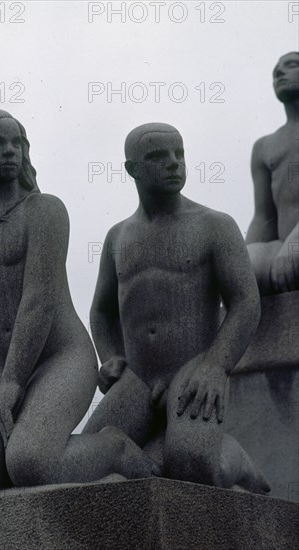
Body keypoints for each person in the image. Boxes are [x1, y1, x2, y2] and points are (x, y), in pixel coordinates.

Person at [0, 110, 158, 495]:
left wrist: (13, 383)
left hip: (60, 358)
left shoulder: (45, 211)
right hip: (0, 366)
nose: (11, 151)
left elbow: (38, 302)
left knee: (30, 462)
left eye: (17, 142)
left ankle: (112, 448)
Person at [83, 123, 270, 493]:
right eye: (157, 156)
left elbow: (246, 302)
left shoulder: (214, 225)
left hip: (193, 371)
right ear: (132, 169)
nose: (173, 163)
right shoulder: (118, 237)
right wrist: (110, 358)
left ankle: (231, 456)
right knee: (87, 464)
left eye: (179, 154)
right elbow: (101, 312)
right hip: (136, 379)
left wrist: (215, 366)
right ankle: (156, 456)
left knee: (193, 465)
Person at [246, 52, 299, 295]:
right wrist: (239, 268)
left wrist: (295, 244)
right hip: (282, 244)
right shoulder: (265, 146)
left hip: (294, 244)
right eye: (275, 71)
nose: (278, 73)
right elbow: (264, 216)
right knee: (241, 271)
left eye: (291, 65)